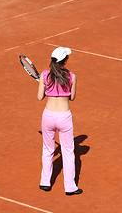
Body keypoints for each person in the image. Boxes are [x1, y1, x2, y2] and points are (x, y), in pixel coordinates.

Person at [37, 47, 83, 196]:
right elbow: (72, 97)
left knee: (47, 149)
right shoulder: (72, 76)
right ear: (65, 61)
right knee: (68, 152)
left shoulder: (44, 76)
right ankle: (70, 187)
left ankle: (45, 182)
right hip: (64, 117)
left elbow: (39, 97)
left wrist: (42, 84)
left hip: (48, 117)